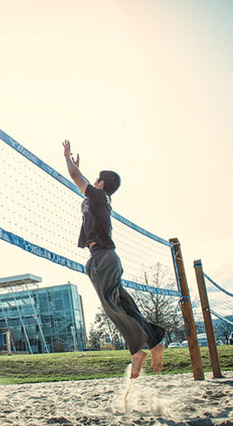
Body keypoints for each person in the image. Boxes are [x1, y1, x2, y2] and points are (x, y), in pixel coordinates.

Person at [62, 139, 165, 379]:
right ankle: (153, 343)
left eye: (96, 179)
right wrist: (79, 169)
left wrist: (67, 158)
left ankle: (137, 350)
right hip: (106, 258)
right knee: (125, 305)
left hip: (102, 258)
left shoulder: (98, 198)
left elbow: (77, 179)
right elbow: (84, 181)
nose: (93, 182)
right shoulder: (102, 199)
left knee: (111, 305)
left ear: (101, 184)